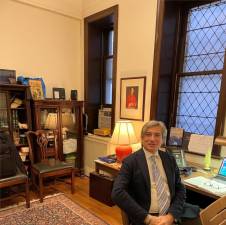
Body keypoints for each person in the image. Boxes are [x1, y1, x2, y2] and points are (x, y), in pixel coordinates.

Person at [111, 120, 186, 225]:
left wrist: (171, 215)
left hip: (170, 216)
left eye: (157, 135)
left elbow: (180, 188)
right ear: (142, 138)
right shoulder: (130, 161)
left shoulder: (170, 159)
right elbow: (117, 193)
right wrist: (148, 218)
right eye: (148, 134)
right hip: (145, 218)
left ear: (162, 139)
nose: (152, 139)